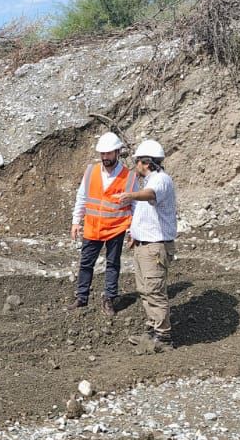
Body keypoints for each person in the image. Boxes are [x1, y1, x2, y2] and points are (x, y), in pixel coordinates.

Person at [118, 138, 177, 350]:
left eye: (138, 162)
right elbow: (146, 211)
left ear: (146, 162)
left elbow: (150, 196)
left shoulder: (160, 180)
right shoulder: (151, 181)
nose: (136, 167)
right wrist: (135, 232)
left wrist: (130, 195)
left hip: (154, 247)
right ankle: (152, 330)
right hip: (144, 245)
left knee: (155, 290)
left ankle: (163, 337)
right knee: (145, 290)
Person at [69, 131, 133, 314]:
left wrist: (133, 230)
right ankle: (82, 297)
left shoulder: (129, 177)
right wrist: (76, 221)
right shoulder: (91, 171)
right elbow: (82, 197)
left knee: (113, 264)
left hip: (116, 227)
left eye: (109, 153)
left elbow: (135, 205)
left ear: (117, 152)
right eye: (102, 154)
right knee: (86, 263)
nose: (105, 157)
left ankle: (109, 298)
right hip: (93, 227)